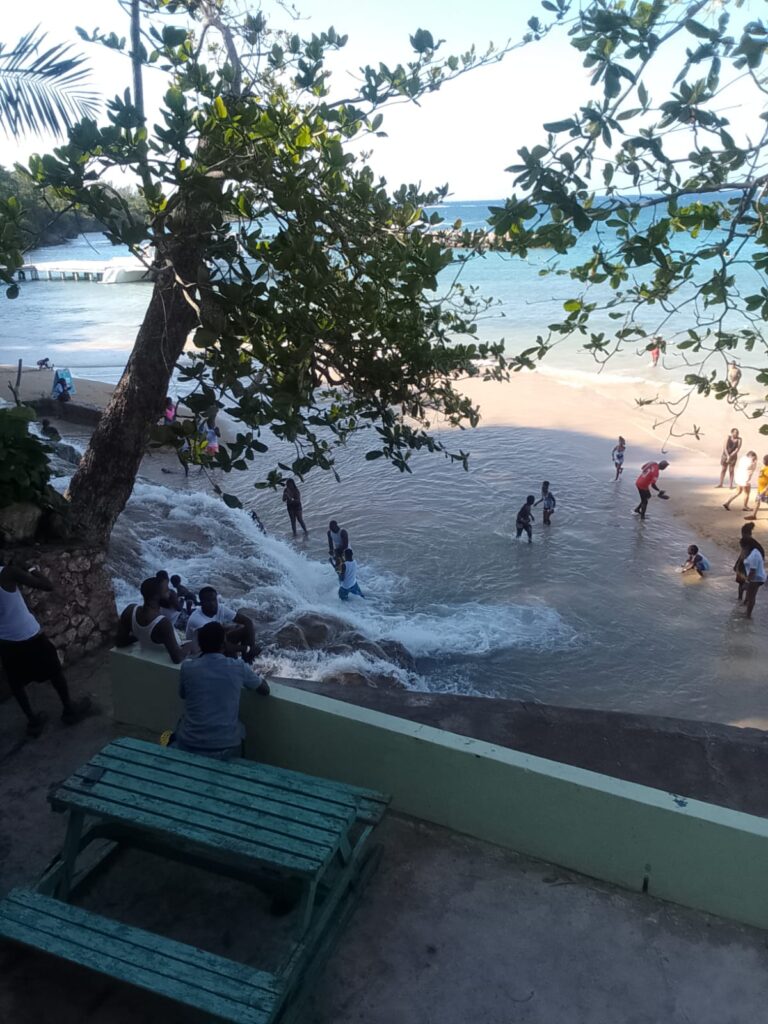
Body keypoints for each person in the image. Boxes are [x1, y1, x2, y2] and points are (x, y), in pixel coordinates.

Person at [0, 561, 91, 737]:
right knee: (54, 672)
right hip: (29, 634)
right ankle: (69, 709)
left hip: (5, 641)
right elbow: (47, 585)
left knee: (16, 682)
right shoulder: (8, 573)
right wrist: (30, 568)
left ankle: (33, 721)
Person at [170, 622, 270, 760]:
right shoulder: (238, 667)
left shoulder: (187, 668)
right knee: (240, 729)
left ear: (200, 645)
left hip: (188, 744)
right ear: (224, 645)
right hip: (226, 747)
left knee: (179, 725)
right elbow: (265, 690)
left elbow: (183, 694)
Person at [116, 577, 190, 663]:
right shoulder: (163, 623)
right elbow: (177, 658)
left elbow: (120, 642)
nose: (169, 591)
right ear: (157, 596)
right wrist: (191, 645)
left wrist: (140, 637)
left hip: (142, 656)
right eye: (166, 590)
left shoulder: (130, 610)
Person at [185, 586, 259, 662]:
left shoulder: (220, 608)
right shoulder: (197, 619)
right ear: (201, 603)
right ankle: (238, 663)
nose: (212, 604)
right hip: (200, 654)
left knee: (244, 629)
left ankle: (247, 662)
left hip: (216, 644)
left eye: (214, 600)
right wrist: (248, 649)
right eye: (208, 601)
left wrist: (251, 647)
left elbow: (247, 621)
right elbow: (221, 645)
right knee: (229, 650)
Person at [735, 524, 765, 602]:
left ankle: (741, 600)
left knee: (743, 584)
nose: (742, 535)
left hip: (748, 565)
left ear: (744, 533)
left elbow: (743, 554)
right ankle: (744, 601)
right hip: (751, 565)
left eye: (742, 533)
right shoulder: (755, 544)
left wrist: (737, 565)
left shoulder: (746, 541)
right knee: (747, 586)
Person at [742, 537, 766, 618]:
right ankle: (747, 613)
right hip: (755, 577)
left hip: (756, 578)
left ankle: (748, 616)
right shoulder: (753, 552)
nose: (742, 549)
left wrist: (747, 582)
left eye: (743, 547)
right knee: (750, 596)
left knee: (751, 597)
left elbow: (753, 571)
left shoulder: (754, 555)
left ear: (747, 546)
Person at [745, 456, 768, 521]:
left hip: (765, 491)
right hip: (760, 489)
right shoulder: (764, 468)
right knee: (757, 501)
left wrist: (765, 489)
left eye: (764, 460)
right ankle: (753, 515)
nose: (763, 461)